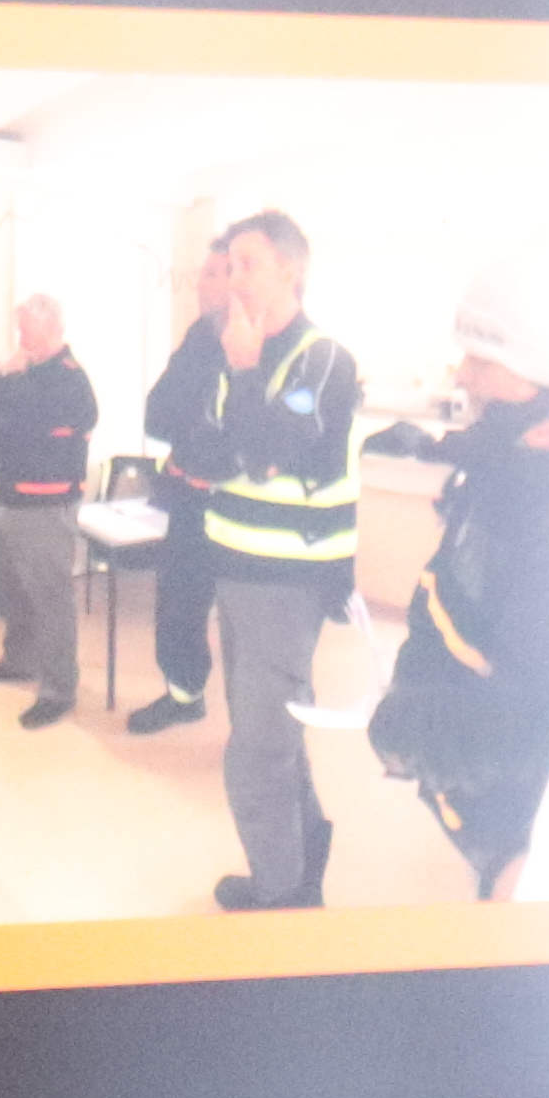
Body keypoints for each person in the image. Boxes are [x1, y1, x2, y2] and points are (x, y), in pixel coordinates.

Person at [373, 259, 549, 891]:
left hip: (532, 857)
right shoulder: (519, 464)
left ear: (537, 378)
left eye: (481, 361)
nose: (463, 376)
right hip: (487, 825)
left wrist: (400, 729)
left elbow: (532, 728)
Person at [194, 211, 363, 911]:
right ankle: (304, 858)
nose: (236, 278)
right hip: (236, 571)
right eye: (231, 265)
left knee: (257, 751)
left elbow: (264, 450)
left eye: (250, 264)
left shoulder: (320, 358)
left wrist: (241, 374)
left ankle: (283, 898)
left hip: (286, 584)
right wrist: (235, 413)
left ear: (290, 271)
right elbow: (204, 448)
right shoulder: (245, 350)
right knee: (273, 731)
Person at [0, 294, 98, 728]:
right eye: (19, 330)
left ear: (52, 330)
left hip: (46, 506)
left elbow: (29, 419)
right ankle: (19, 660)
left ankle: (59, 689)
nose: (20, 339)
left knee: (49, 599)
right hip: (8, 500)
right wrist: (0, 373)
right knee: (11, 592)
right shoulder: (22, 370)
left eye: (26, 330)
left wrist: (16, 381)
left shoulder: (70, 379)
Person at [126, 235, 235, 735]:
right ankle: (184, 695)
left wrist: (196, 422)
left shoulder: (263, 349)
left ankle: (259, 729)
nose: (201, 286)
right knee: (177, 610)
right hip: (189, 502)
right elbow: (157, 416)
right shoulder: (198, 339)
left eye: (213, 274)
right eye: (203, 274)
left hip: (238, 509)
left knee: (245, 628)